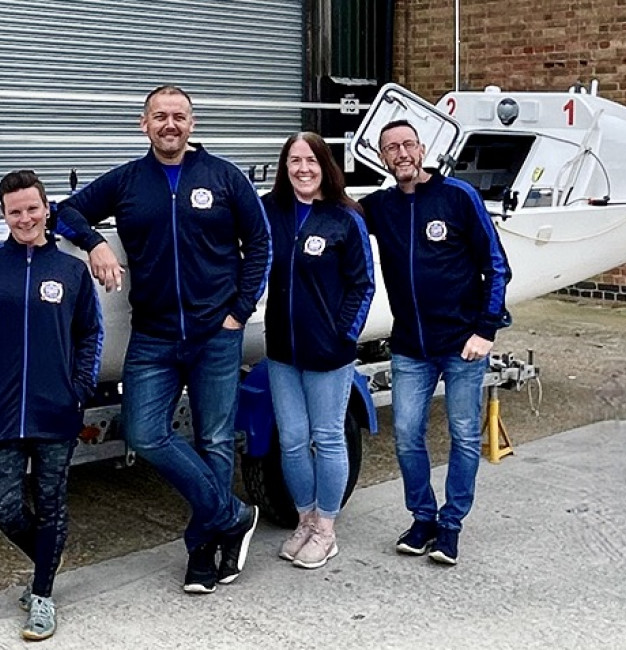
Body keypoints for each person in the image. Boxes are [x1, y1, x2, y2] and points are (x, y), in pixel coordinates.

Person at [54, 85, 270, 594]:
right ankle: (233, 514)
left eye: (179, 116)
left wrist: (240, 312)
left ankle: (202, 549)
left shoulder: (223, 177)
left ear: (192, 124)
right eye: (159, 117)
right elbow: (67, 211)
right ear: (143, 124)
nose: (169, 125)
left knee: (215, 439)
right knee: (144, 433)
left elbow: (259, 243)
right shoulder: (129, 181)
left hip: (217, 332)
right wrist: (94, 245)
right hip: (153, 334)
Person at [0, 170, 104, 640]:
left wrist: (80, 388)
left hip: (56, 410)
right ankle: (47, 563)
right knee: (4, 507)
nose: (24, 218)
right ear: (4, 215)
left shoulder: (72, 272)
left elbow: (90, 336)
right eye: (14, 211)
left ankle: (42, 595)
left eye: (32, 209)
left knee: (53, 504)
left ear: (46, 209)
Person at [359, 119, 512, 565]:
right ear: (382, 157)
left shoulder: (457, 197)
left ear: (422, 149)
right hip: (410, 345)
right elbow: (333, 210)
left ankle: (450, 526)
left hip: (463, 343)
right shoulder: (380, 207)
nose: (401, 153)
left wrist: (486, 329)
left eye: (408, 145)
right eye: (392, 148)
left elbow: (497, 266)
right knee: (407, 434)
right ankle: (422, 517)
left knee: (464, 435)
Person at [262, 133, 375, 569]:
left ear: (324, 164)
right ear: (284, 166)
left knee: (326, 437)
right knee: (291, 441)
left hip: (329, 352)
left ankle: (327, 529)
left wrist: (343, 334)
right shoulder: (272, 212)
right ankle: (305, 519)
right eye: (294, 160)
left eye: (311, 160)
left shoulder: (345, 218)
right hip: (283, 350)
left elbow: (363, 284)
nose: (303, 168)